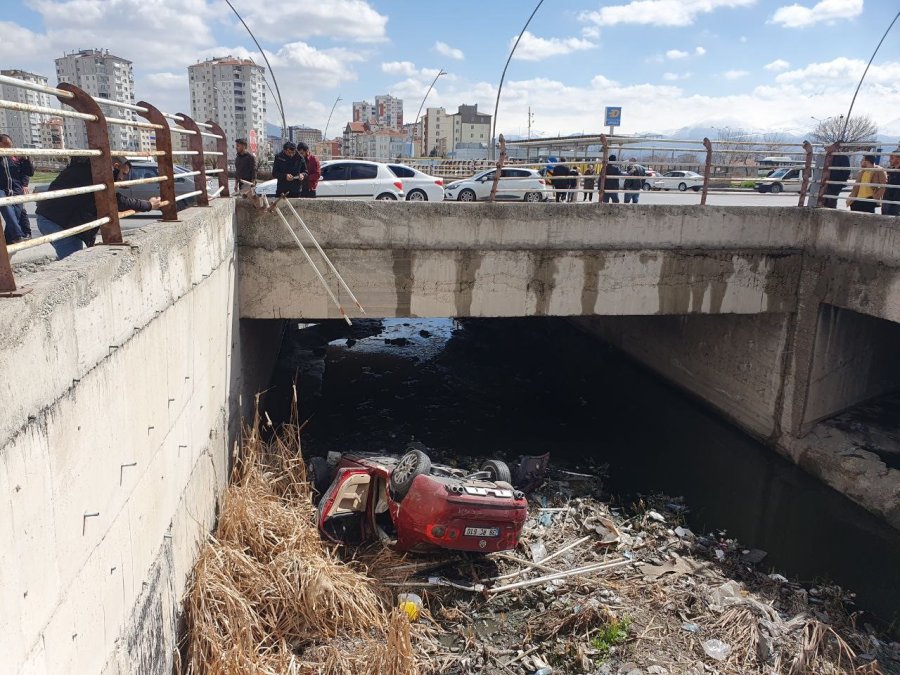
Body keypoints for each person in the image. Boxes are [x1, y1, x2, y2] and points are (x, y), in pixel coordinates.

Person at [35, 155, 161, 259]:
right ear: (115, 167)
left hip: (51, 219)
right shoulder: (94, 175)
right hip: (56, 222)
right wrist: (149, 205)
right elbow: (116, 201)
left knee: (73, 257)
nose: (123, 178)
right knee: (75, 261)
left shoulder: (88, 170)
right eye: (123, 173)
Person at [0, 133, 29, 244]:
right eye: (6, 144)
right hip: (1, 188)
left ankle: (9, 239)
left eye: (10, 145)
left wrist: (25, 184)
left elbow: (27, 172)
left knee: (17, 212)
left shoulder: (14, 155)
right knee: (6, 205)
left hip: (15, 187)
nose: (9, 147)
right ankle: (17, 234)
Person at [882, 148, 900, 216]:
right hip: (887, 201)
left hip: (896, 204)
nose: (889, 160)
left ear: (898, 159)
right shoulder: (891, 171)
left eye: (892, 158)